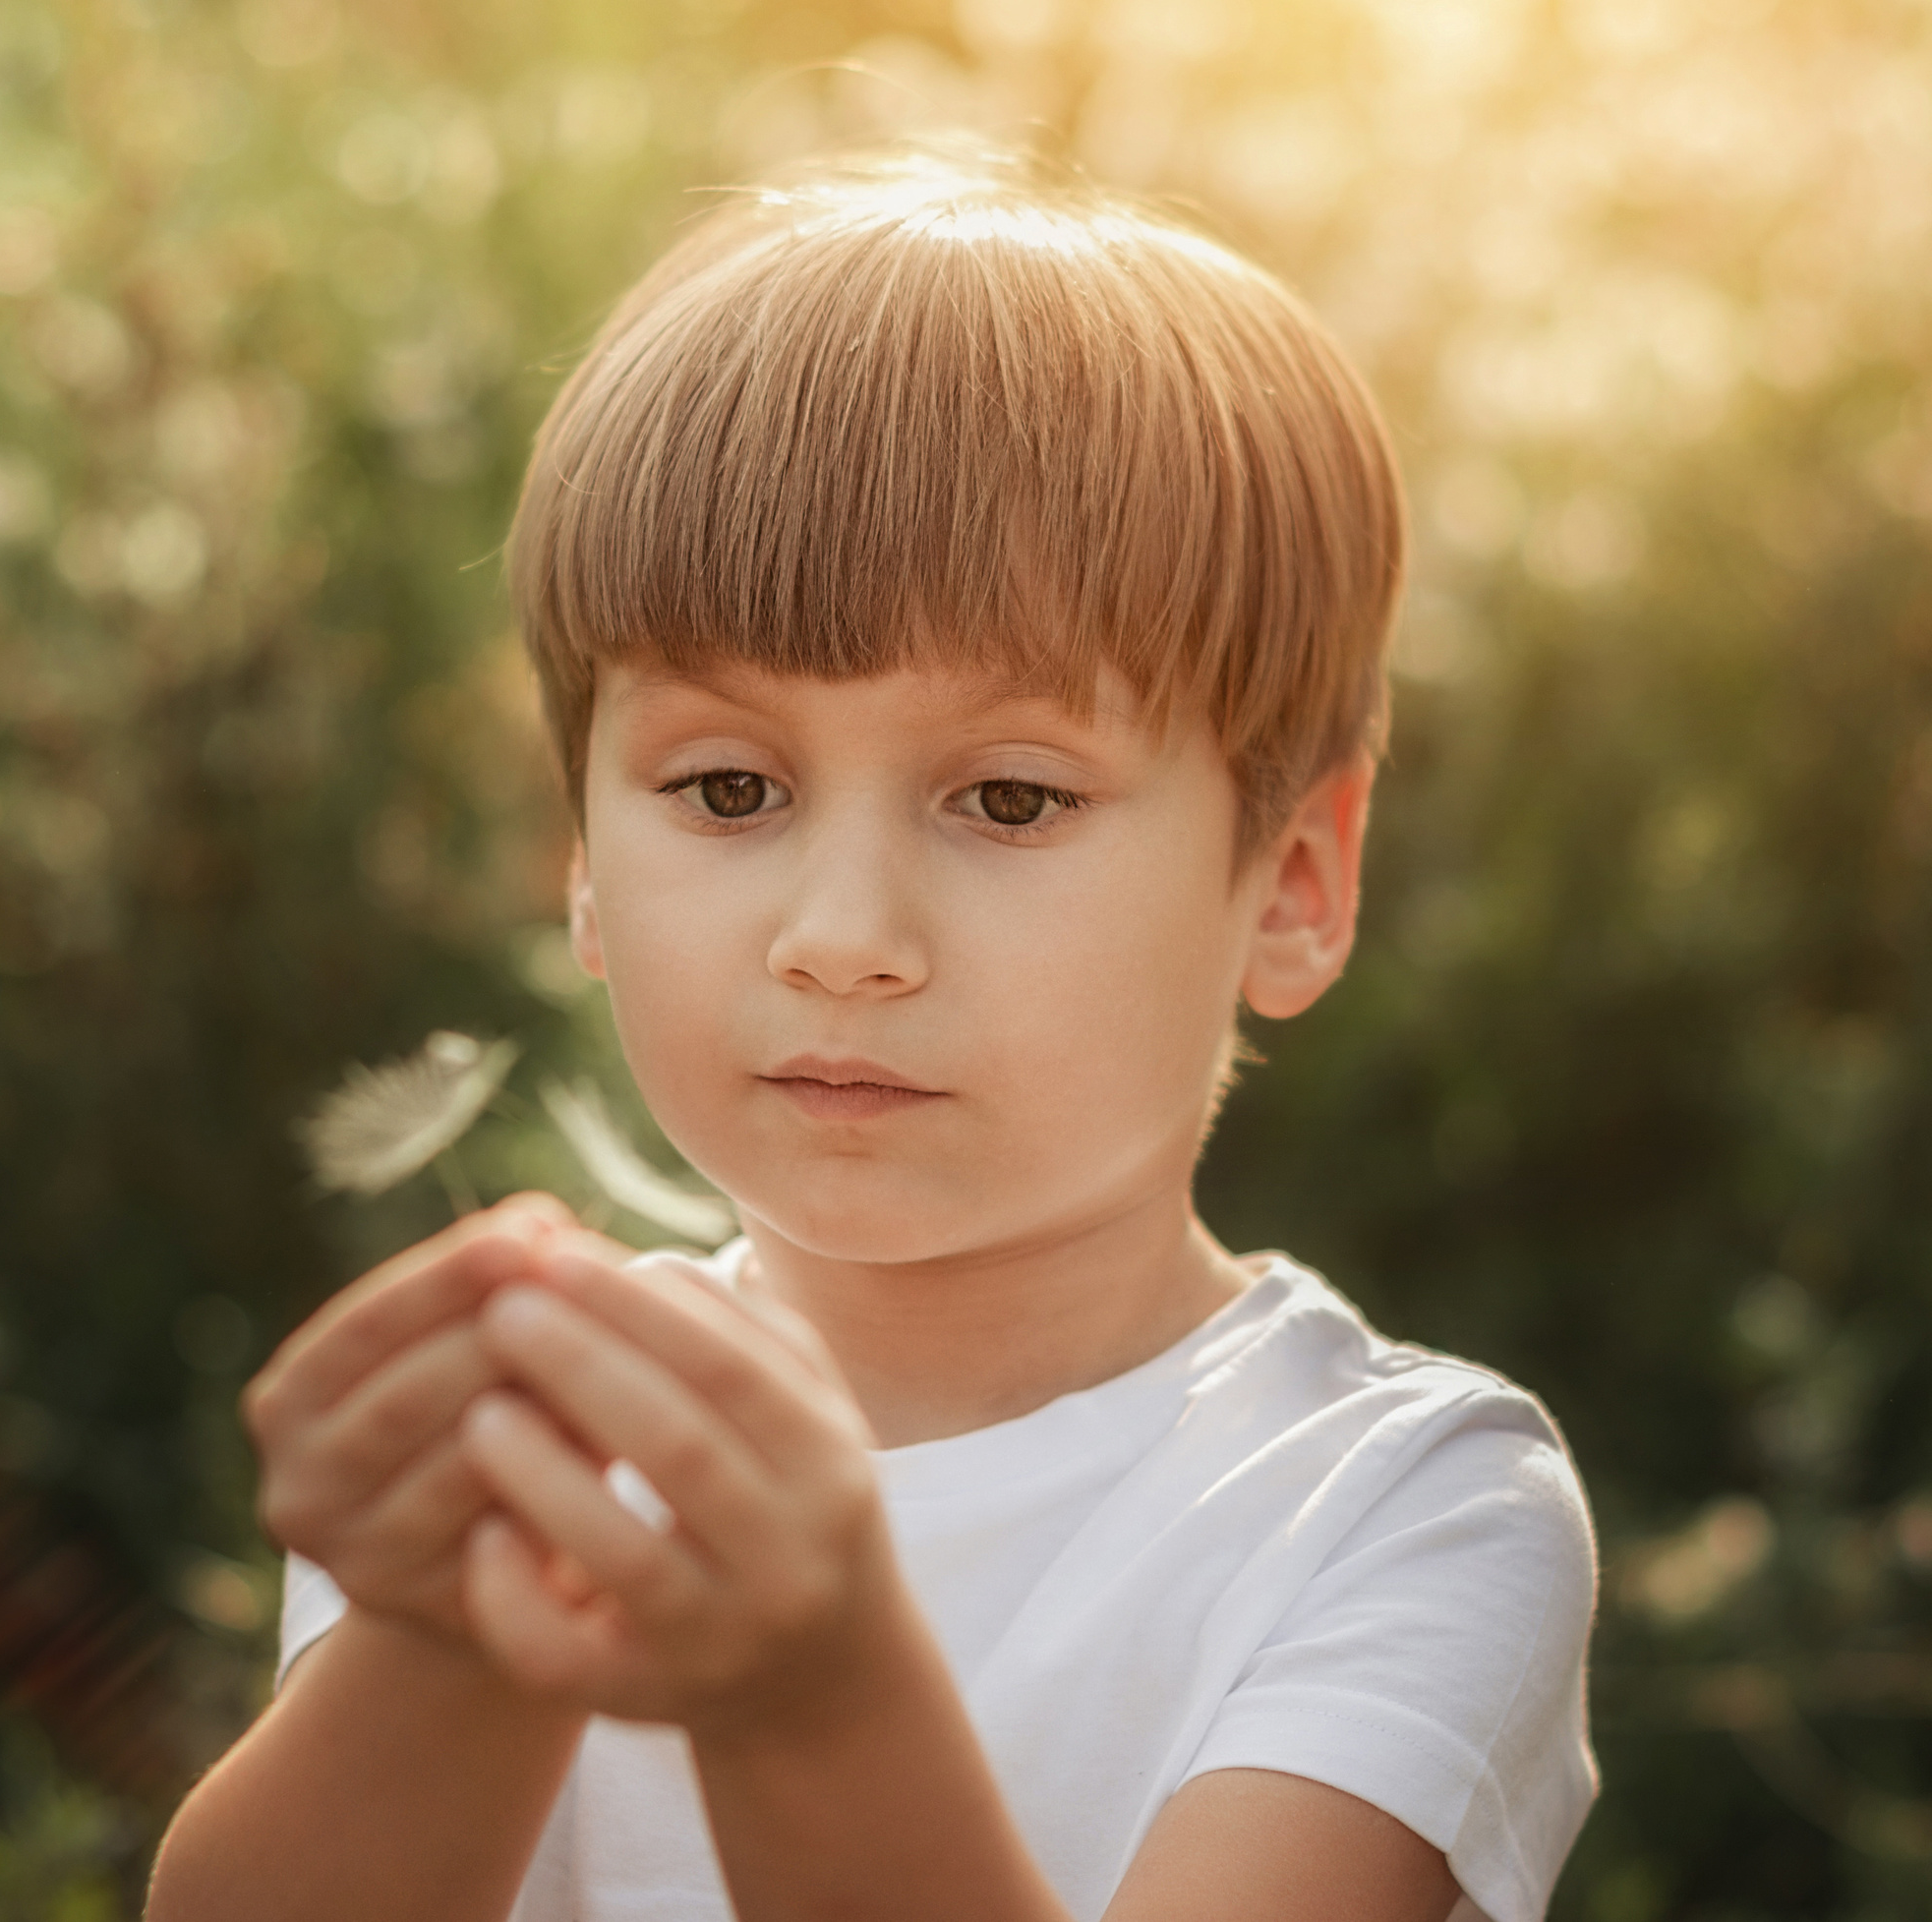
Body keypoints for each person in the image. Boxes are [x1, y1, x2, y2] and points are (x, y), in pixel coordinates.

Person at [146, 144, 1597, 1922]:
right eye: (729, 786)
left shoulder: (1400, 1509)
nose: (839, 939)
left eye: (1010, 799)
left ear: (1292, 879)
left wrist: (814, 1700)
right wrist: (451, 1640)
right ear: (582, 858)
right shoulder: (531, 1439)